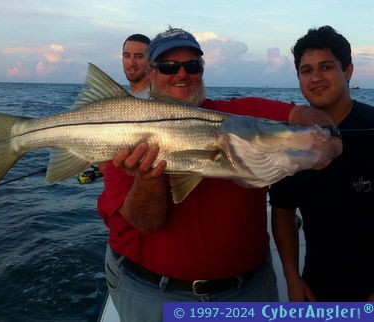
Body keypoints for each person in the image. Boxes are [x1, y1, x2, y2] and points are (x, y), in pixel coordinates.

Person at [97, 27, 339, 321]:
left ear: (203, 70)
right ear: (150, 73)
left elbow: (303, 116)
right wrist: (147, 176)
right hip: (151, 293)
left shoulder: (238, 113)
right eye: (168, 66)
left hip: (248, 290)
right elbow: (146, 223)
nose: (181, 74)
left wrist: (326, 139)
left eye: (193, 65)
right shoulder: (119, 133)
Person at [269, 25, 374, 302]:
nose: (316, 78)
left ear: (348, 72)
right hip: (315, 289)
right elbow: (282, 210)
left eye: (326, 67)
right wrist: (292, 277)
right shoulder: (291, 138)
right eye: (306, 71)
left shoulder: (371, 128)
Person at [122, 33, 151, 98]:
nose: (131, 63)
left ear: (150, 60)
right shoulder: (120, 98)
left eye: (139, 57)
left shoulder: (158, 98)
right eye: (127, 56)